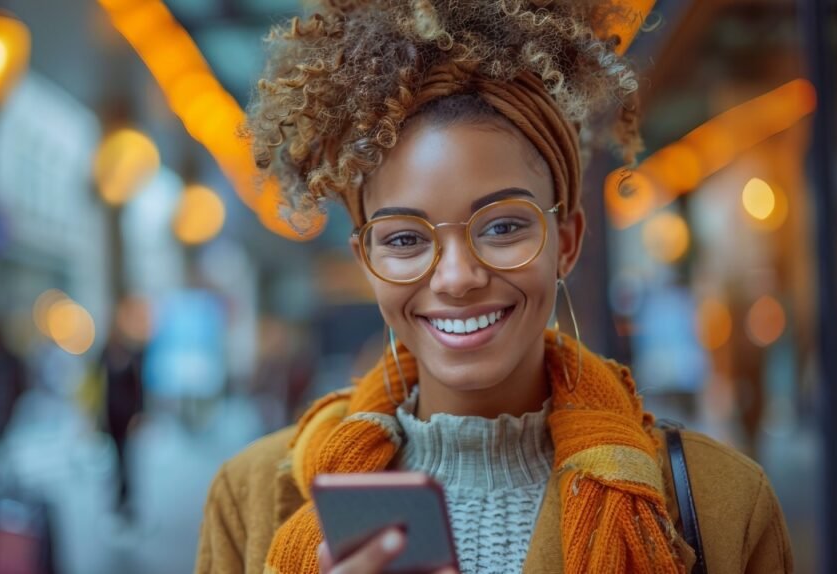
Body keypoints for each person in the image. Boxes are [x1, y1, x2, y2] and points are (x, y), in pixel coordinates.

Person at [196, 1, 792, 573]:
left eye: (503, 226)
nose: (456, 277)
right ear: (367, 260)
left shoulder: (720, 507)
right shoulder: (251, 502)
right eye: (404, 239)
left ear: (567, 240)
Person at [101, 327, 145, 520]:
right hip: (110, 416)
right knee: (115, 458)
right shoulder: (104, 359)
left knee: (126, 458)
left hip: (126, 416)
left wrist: (138, 414)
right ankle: (117, 498)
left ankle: (126, 498)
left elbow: (138, 389)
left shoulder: (130, 359)